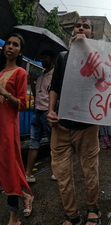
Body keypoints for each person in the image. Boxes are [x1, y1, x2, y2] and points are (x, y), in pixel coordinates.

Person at [47, 17, 101, 225]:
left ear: (91, 34)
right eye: (77, 25)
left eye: (85, 26)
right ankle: (71, 214)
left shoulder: (98, 59)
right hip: (61, 126)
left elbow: (104, 78)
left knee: (90, 172)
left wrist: (86, 48)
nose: (80, 28)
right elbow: (55, 86)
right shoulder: (62, 57)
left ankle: (92, 208)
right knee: (62, 175)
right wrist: (51, 110)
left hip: (87, 126)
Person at [0, 33, 34, 225]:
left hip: (8, 127)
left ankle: (13, 218)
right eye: (8, 44)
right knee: (3, 170)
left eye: (15, 45)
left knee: (10, 169)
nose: (10, 47)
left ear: (20, 51)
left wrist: (4, 93)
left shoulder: (20, 72)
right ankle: (25, 195)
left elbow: (22, 105)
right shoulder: (0, 73)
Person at [25, 50, 56, 183]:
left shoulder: (54, 75)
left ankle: (56, 172)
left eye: (46, 57)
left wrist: (52, 111)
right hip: (37, 113)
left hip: (47, 114)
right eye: (42, 57)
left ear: (51, 59)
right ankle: (28, 173)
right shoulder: (41, 76)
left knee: (53, 144)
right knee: (34, 142)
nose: (43, 59)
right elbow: (37, 94)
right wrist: (32, 81)